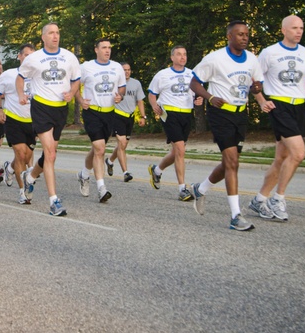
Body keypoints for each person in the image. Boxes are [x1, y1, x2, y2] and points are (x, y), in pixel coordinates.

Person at [249, 15, 305, 221]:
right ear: (283, 30)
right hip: (279, 106)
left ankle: (259, 200)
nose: (299, 31)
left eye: (301, 27)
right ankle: (278, 198)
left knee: (282, 159)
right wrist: (261, 101)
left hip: (299, 107)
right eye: (295, 27)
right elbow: (254, 81)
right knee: (298, 153)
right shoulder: (269, 52)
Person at [189, 21, 266, 232]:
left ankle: (201, 188)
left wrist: (257, 87)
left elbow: (256, 84)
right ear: (229, 36)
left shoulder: (252, 58)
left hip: (241, 115)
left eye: (247, 34)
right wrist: (209, 97)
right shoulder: (215, 58)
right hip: (220, 113)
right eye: (240, 34)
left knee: (229, 164)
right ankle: (235, 216)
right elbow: (194, 83)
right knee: (232, 162)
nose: (245, 37)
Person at [16, 23, 81, 217]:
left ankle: (31, 176)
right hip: (41, 107)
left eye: (58, 33)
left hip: (60, 109)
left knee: (51, 155)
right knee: (50, 153)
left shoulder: (69, 57)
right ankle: (54, 201)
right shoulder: (34, 58)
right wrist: (21, 94)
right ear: (43, 37)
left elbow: (76, 79)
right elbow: (20, 78)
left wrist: (72, 92)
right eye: (51, 33)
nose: (55, 36)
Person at [146, 46, 202, 202]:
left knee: (178, 151)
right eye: (179, 54)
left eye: (185, 54)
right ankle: (182, 189)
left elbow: (199, 93)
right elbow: (152, 94)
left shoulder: (192, 74)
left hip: (186, 113)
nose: (182, 57)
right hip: (170, 114)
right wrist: (154, 105)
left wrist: (199, 99)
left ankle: (157, 170)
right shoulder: (163, 74)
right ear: (172, 57)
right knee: (180, 150)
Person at [76, 38, 126, 203]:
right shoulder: (86, 67)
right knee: (99, 149)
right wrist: (80, 100)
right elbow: (75, 85)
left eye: (109, 48)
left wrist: (121, 95)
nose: (107, 50)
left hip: (109, 113)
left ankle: (84, 174)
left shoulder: (116, 67)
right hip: (92, 112)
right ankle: (101, 188)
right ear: (96, 49)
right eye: (104, 47)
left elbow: (122, 87)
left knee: (98, 149)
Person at [0, 44, 37, 203]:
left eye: (31, 56)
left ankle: (9, 168)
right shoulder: (9, 74)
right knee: (20, 154)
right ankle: (22, 192)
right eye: (25, 55)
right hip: (13, 119)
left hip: (32, 122)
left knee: (26, 158)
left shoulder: (38, 75)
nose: (28, 59)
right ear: (19, 57)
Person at [106, 62, 146, 182]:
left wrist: (143, 116)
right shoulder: (115, 83)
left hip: (130, 117)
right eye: (124, 70)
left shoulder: (136, 83)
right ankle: (125, 172)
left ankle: (110, 160)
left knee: (122, 145)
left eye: (128, 70)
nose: (127, 72)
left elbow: (140, 101)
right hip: (117, 115)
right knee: (122, 143)